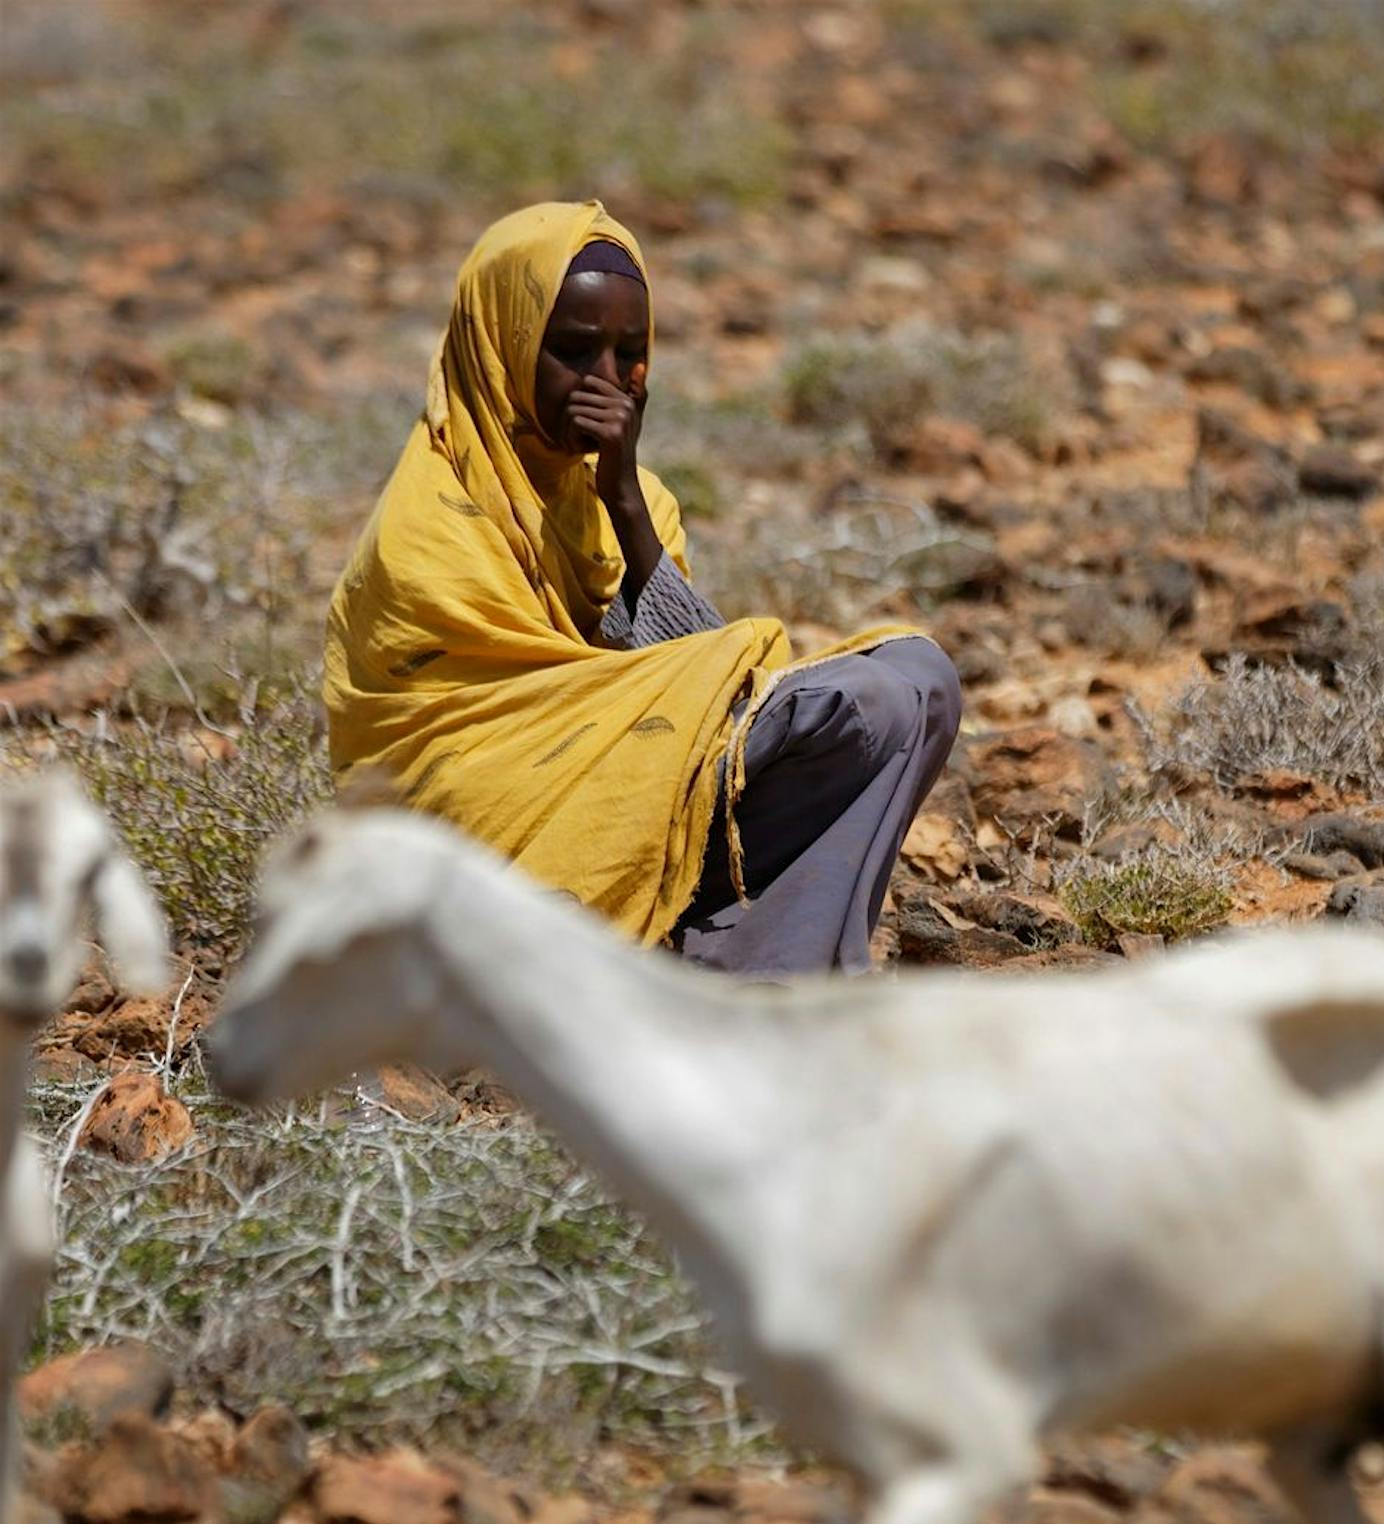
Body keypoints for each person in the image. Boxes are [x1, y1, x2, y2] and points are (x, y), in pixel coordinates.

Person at [326, 200, 961, 974]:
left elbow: (700, 690)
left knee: (922, 678)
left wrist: (624, 502)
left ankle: (754, 964)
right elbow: (476, 754)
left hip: (631, 798)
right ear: (504, 347)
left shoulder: (634, 502)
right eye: (572, 350)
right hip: (500, 854)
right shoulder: (433, 518)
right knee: (868, 703)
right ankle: (763, 984)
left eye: (630, 354)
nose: (606, 382)